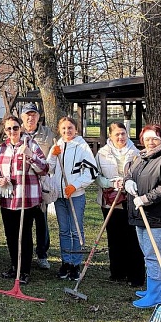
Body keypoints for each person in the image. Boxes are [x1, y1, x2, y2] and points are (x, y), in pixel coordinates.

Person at [124, 124, 161, 308]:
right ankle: (158, 289)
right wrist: (128, 182)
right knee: (149, 254)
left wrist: (146, 198)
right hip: (140, 215)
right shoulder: (142, 157)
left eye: (155, 139)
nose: (150, 142)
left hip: (158, 217)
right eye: (147, 139)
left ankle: (154, 295)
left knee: (153, 256)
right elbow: (129, 173)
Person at [0, 116, 48, 285]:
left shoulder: (30, 144)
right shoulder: (2, 148)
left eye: (15, 128)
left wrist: (30, 156)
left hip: (26, 199)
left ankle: (24, 270)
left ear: (20, 128)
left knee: (24, 236)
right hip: (8, 198)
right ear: (5, 130)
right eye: (9, 128)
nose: (12, 131)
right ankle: (14, 266)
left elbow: (44, 169)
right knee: (11, 235)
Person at [46, 116, 97, 281]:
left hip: (75, 196)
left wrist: (75, 185)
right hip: (60, 196)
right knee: (64, 230)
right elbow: (49, 168)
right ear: (59, 130)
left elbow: (91, 172)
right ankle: (66, 262)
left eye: (70, 128)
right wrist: (53, 156)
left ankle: (75, 264)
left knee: (76, 230)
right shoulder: (57, 145)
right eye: (64, 128)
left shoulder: (82, 147)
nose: (67, 131)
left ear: (76, 129)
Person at [95, 122, 144, 287]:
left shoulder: (136, 153)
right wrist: (110, 183)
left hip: (130, 200)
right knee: (114, 237)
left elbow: (141, 175)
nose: (121, 137)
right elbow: (96, 176)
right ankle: (117, 272)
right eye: (117, 134)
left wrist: (128, 183)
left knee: (132, 237)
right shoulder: (102, 153)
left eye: (123, 133)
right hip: (110, 201)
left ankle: (134, 274)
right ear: (110, 136)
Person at [20, 102, 54, 271]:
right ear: (22, 117)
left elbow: (51, 158)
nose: (30, 118)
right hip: (21, 184)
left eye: (33, 115)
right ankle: (22, 253)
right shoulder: (16, 132)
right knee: (23, 221)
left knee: (41, 221)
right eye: (27, 115)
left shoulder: (47, 134)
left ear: (38, 117)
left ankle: (42, 254)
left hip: (41, 184)